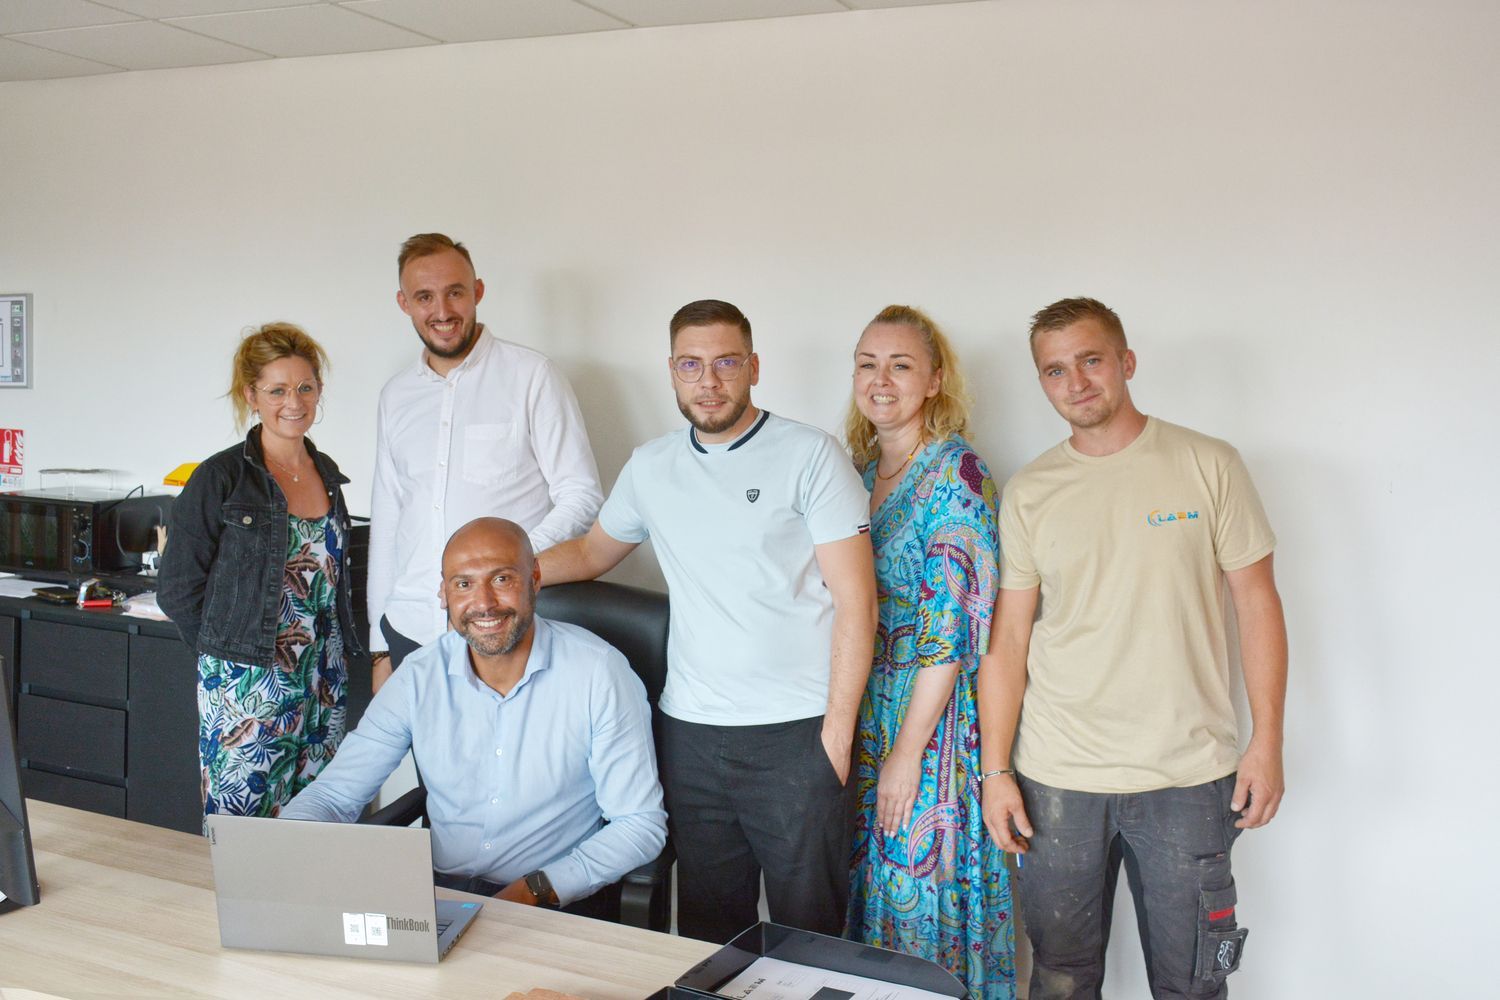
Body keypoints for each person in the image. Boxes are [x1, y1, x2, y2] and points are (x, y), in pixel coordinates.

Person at [538, 299, 878, 943]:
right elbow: (589, 554)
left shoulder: (810, 454)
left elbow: (858, 603)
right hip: (691, 734)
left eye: (725, 363)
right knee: (707, 930)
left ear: (753, 366)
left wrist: (836, 736)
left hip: (796, 735)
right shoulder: (651, 465)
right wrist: (500, 575)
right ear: (671, 371)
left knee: (811, 933)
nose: (709, 380)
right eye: (691, 365)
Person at [978, 298, 1288, 1000]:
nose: (1076, 382)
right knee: (1060, 980)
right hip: (1057, 780)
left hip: (1187, 778)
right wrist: (996, 770)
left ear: (1126, 361)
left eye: (1091, 360)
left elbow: (1258, 605)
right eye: (1055, 370)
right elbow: (1009, 639)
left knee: (1192, 986)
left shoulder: (1208, 464)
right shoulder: (1030, 492)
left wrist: (1266, 741)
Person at [283, 517, 666, 918]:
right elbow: (334, 795)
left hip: (550, 901)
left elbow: (639, 823)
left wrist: (531, 893)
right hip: (435, 900)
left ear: (534, 578)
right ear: (444, 593)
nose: (483, 603)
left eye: (501, 579)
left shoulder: (598, 673)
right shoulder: (418, 675)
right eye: (463, 584)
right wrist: (279, 849)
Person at [843, 306, 1014, 998]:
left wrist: (908, 751)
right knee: (867, 902)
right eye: (868, 363)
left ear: (935, 381)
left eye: (901, 364)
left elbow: (954, 631)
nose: (881, 379)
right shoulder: (855, 473)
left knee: (919, 899)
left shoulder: (958, 475)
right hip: (865, 712)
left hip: (931, 723)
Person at [368, 232, 602, 690]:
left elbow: (581, 496)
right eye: (424, 297)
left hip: (500, 627)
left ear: (477, 291)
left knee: (512, 762)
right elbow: (389, 517)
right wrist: (380, 645)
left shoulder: (532, 376)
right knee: (429, 765)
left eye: (455, 292)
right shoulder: (395, 396)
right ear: (404, 303)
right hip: (411, 631)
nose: (442, 311)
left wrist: (501, 572)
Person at [159, 323, 363, 824]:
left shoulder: (328, 475)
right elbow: (178, 588)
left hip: (325, 680)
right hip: (248, 684)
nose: (293, 402)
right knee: (243, 829)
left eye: (305, 387)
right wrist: (227, 663)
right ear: (251, 395)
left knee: (321, 819)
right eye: (277, 390)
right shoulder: (221, 476)